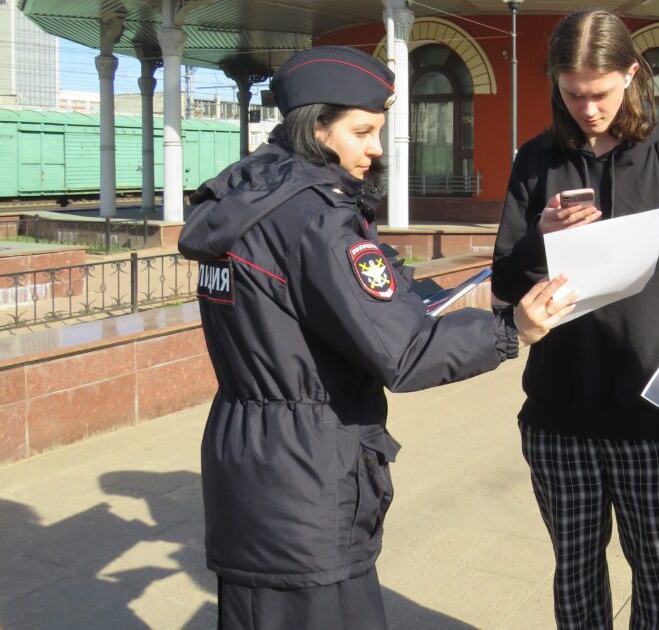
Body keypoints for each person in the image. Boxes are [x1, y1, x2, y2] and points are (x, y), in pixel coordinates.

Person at [178, 45, 573, 630]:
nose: (376, 148)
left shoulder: (248, 197)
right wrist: (511, 329)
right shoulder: (316, 220)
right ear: (316, 129)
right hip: (309, 474)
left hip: (250, 459)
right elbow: (406, 353)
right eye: (362, 132)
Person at [492, 8, 659, 629]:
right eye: (572, 94)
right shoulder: (537, 159)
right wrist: (538, 239)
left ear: (631, 74)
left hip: (654, 415)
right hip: (559, 415)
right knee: (576, 575)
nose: (586, 108)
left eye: (598, 93)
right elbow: (504, 284)